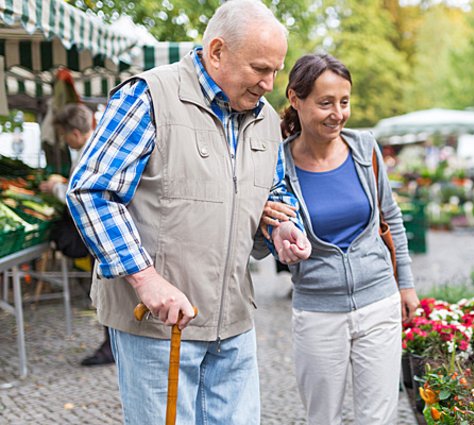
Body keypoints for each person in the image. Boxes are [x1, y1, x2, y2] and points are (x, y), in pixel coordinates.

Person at [66, 1, 310, 423]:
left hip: (233, 320)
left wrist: (282, 227)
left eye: (276, 69)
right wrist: (146, 280)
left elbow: (274, 191)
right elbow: (91, 189)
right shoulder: (149, 96)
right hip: (158, 326)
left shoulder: (266, 120)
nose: (270, 84)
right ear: (217, 52)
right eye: (259, 69)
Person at [262, 54, 420, 425]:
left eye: (344, 102)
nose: (338, 113)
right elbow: (261, 239)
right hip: (317, 310)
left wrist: (406, 286)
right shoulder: (276, 165)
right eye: (325, 103)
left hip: (379, 303)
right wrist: (268, 228)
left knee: (378, 418)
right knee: (323, 418)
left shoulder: (365, 149)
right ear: (296, 99)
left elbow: (390, 217)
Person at [41, 103, 114, 366]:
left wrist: (55, 189)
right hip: (104, 235)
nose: (64, 141)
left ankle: (112, 348)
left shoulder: (89, 152)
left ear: (74, 133)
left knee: (108, 294)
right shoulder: (95, 147)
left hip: (101, 237)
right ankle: (113, 346)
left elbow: (81, 196)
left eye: (63, 135)